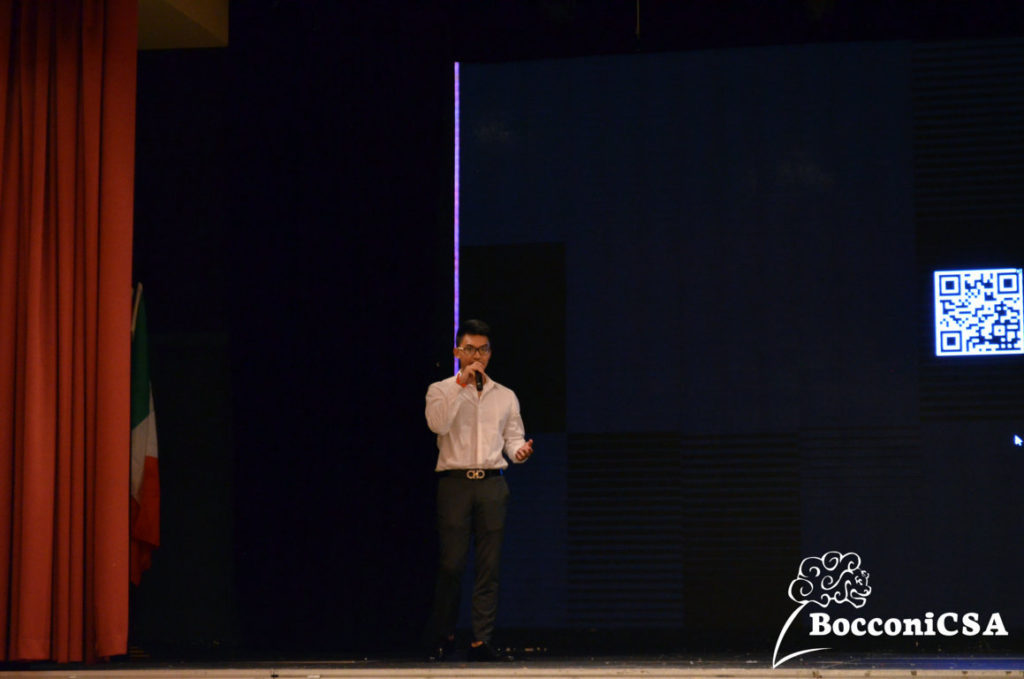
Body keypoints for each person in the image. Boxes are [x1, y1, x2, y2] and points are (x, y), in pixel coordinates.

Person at [423, 319, 534, 662]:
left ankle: (481, 640)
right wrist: (461, 385)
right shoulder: (439, 389)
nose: (476, 356)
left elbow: (512, 438)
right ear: (457, 352)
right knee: (452, 564)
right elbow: (437, 424)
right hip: (455, 483)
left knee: (489, 567)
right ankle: (443, 636)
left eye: (482, 349)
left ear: (490, 353)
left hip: (491, 484)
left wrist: (519, 452)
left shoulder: (505, 396)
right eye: (469, 349)